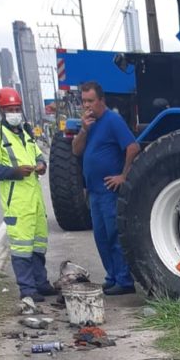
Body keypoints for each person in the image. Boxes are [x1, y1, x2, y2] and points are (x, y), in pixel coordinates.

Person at [0, 88, 58, 302]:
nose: (15, 113)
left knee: (38, 246)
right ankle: (27, 289)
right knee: (21, 249)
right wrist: (14, 172)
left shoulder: (25, 133)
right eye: (10, 109)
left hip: (35, 200)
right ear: (1, 110)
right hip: (16, 202)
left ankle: (40, 284)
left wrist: (41, 165)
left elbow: (38, 155)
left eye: (17, 109)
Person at [72, 81, 140, 296]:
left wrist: (123, 175)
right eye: (84, 102)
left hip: (109, 191)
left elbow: (133, 147)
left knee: (113, 236)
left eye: (91, 101)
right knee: (100, 237)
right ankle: (111, 276)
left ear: (102, 101)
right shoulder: (89, 125)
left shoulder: (113, 120)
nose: (87, 106)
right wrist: (83, 130)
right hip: (94, 191)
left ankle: (124, 280)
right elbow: (76, 150)